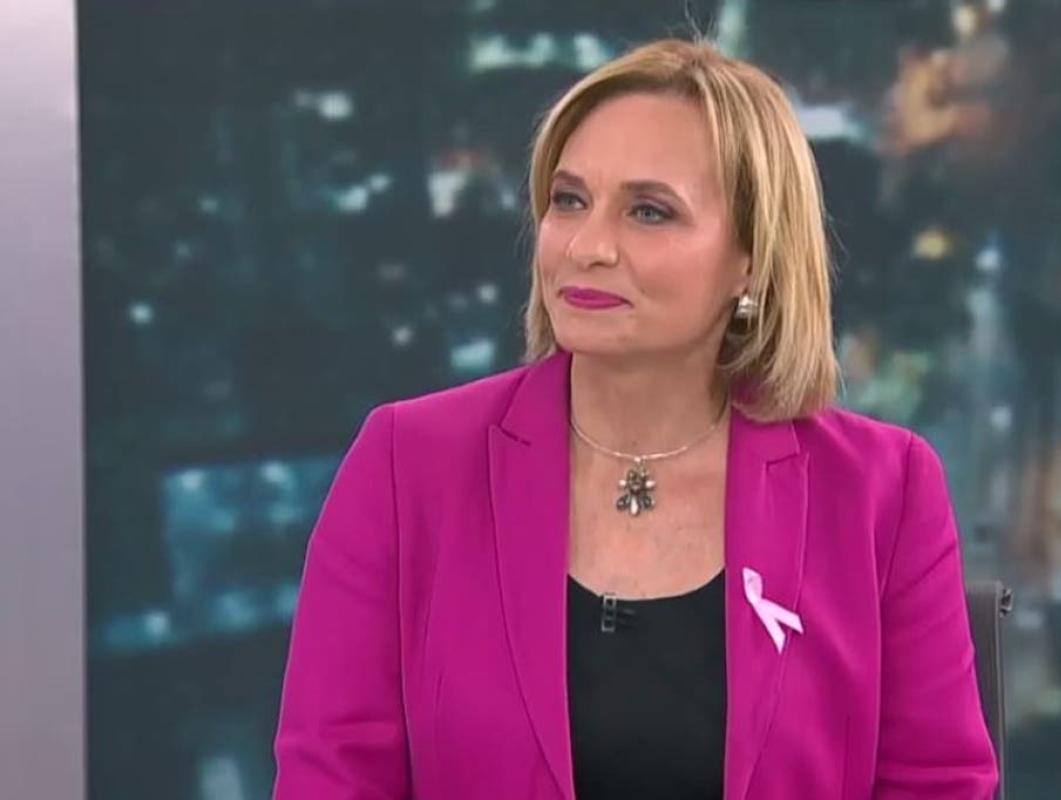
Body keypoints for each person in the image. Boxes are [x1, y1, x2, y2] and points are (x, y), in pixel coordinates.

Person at [273, 37, 999, 800]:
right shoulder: (406, 465)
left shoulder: (882, 492)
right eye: (568, 201)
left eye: (649, 212)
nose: (587, 247)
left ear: (751, 257)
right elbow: (331, 777)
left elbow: (937, 785)